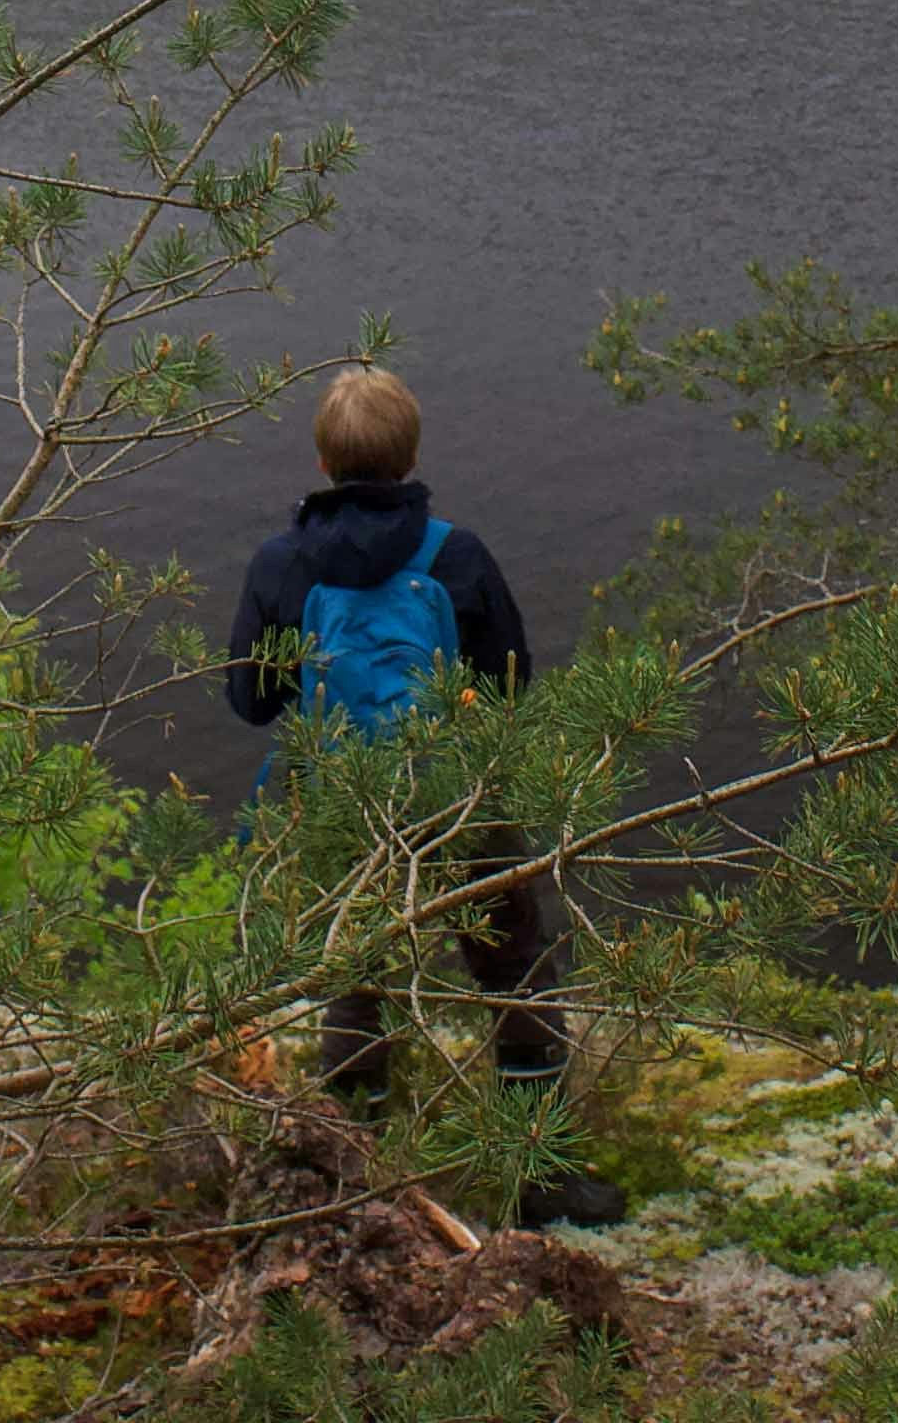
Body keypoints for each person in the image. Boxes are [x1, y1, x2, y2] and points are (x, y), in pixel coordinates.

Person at [225, 363, 628, 1229]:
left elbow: (250, 702)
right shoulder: (457, 554)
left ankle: (357, 1177)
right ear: (410, 454)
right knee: (516, 972)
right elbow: (511, 684)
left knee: (357, 979)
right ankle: (540, 1179)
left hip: (347, 806)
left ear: (323, 458)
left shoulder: (282, 562)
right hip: (459, 800)